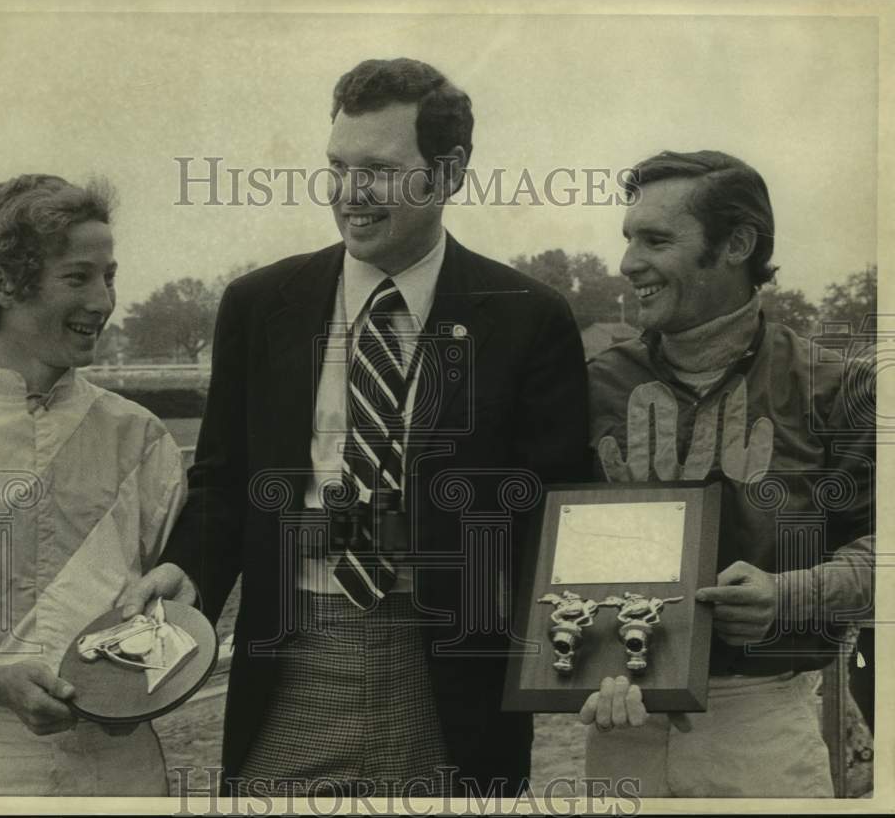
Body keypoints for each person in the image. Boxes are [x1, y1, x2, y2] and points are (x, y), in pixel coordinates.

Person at [120, 57, 589, 797]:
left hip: (451, 678)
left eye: (378, 169)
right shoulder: (259, 304)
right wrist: (193, 569)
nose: (348, 193)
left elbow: (558, 511)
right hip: (291, 661)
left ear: (450, 170)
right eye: (336, 166)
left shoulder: (529, 317)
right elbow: (225, 482)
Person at [577, 150, 875, 797]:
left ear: (737, 244)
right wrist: (578, 661)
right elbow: (545, 547)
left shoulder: (832, 386)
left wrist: (789, 593)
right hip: (616, 712)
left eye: (656, 239)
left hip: (762, 718)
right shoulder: (594, 383)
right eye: (628, 238)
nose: (629, 263)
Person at [0, 174, 186, 795]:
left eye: (109, 275)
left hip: (128, 769)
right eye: (78, 277)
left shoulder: (144, 438)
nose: (104, 300)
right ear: (4, 284)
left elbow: (177, 610)